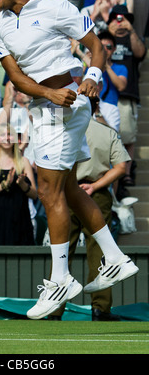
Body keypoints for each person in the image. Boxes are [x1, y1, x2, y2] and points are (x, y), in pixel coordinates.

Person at [0, 0, 139, 319]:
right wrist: (47, 94)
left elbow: (97, 49)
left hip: (68, 105)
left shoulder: (57, 7)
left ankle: (61, 280)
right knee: (69, 188)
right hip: (43, 108)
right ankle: (116, 257)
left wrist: (91, 76)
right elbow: (16, 78)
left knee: (48, 191)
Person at [50, 107, 131, 321]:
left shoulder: (62, 130)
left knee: (62, 250)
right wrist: (95, 186)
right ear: (96, 108)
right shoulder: (107, 132)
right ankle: (100, 309)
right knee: (100, 253)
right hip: (96, 196)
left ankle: (54, 309)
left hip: (66, 193)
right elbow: (121, 167)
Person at [0, 123, 37, 245]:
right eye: (3, 135)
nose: (7, 138)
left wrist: (22, 185)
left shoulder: (23, 161)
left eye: (10, 135)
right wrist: (5, 184)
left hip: (20, 219)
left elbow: (34, 194)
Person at [107, 4, 146, 186]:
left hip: (128, 94)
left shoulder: (132, 38)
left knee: (128, 136)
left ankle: (127, 174)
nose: (120, 21)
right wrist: (109, 30)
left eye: (123, 18)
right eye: (116, 17)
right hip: (106, 94)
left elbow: (140, 52)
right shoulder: (107, 39)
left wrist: (131, 30)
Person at [98, 30, 128, 106]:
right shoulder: (90, 65)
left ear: (114, 49)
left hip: (111, 109)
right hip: (92, 109)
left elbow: (121, 86)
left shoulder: (121, 68)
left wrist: (107, 66)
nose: (105, 49)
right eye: (101, 46)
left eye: (108, 47)